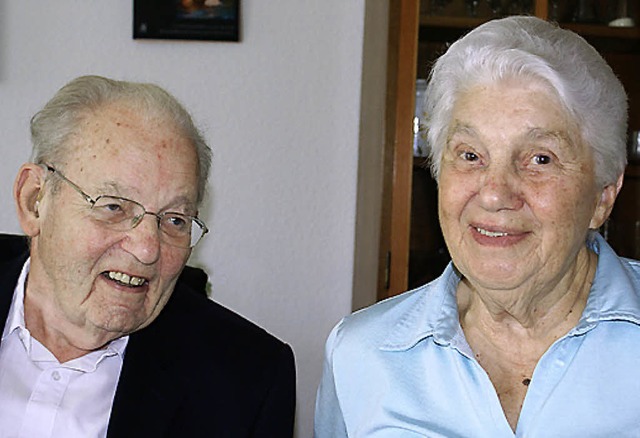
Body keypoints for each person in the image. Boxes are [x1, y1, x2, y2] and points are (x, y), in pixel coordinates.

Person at [315, 16, 640, 437]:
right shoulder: (360, 354)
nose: (494, 194)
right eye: (470, 155)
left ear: (602, 196)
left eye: (540, 159)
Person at [0, 75, 296, 437]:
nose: (147, 249)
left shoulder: (247, 382)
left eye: (175, 220)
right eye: (113, 207)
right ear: (34, 201)